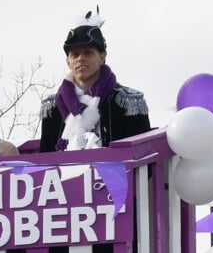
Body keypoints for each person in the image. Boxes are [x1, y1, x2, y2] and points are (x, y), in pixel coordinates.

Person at [38, 9, 150, 152]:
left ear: (102, 57)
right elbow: (45, 158)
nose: (81, 58)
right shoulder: (54, 107)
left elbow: (143, 154)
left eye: (88, 53)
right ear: (68, 62)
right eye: (75, 54)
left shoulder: (128, 102)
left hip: (116, 174)